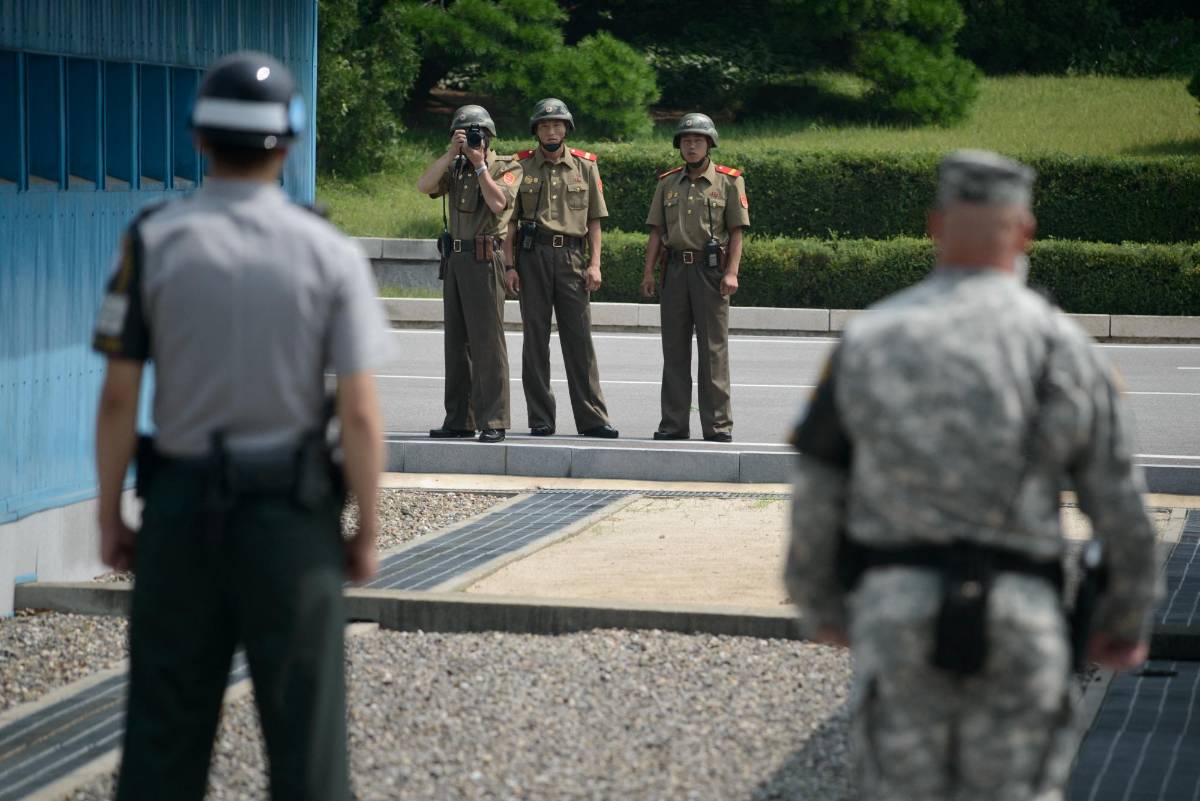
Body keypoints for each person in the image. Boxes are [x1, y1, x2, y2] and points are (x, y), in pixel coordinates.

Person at [784, 150, 1162, 801]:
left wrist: (821, 602)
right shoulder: (1063, 347)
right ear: (1025, 231)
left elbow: (818, 488)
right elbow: (1122, 506)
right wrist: (1123, 621)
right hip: (1023, 618)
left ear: (934, 226)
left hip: (897, 611)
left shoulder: (869, 339)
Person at [91, 51, 387, 801]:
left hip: (182, 510)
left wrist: (110, 514)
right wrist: (368, 528)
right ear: (286, 143)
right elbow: (357, 409)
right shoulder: (330, 251)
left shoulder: (151, 242)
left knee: (162, 739)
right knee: (308, 747)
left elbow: (119, 398)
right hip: (291, 516)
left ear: (198, 138)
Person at [506, 98, 619, 438]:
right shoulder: (520, 165)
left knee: (579, 340)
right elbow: (509, 222)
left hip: (571, 258)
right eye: (544, 125)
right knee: (535, 339)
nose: (551, 131)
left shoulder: (585, 166)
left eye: (557, 125)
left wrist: (595, 264)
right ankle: (541, 417)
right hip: (532, 257)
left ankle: (592, 418)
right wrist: (510, 265)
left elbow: (595, 221)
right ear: (536, 131)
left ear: (567, 129)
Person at [641, 113, 748, 443]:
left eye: (697, 141)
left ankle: (717, 425)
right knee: (674, 350)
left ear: (709, 144)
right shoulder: (667, 182)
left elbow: (736, 232)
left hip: (710, 271)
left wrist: (732, 272)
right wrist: (648, 272)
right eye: (686, 141)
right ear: (679, 146)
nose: (691, 146)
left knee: (713, 350)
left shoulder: (729, 181)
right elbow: (657, 233)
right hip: (674, 271)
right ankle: (673, 423)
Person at [417, 104, 521, 443]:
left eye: (479, 134)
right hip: (456, 261)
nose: (474, 139)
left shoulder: (506, 167)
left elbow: (497, 204)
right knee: (456, 343)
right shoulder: (455, 167)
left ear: (489, 137)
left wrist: (479, 166)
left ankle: (494, 421)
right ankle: (459, 419)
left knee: (488, 344)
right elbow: (424, 185)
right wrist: (451, 154)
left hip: (484, 257)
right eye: (465, 134)